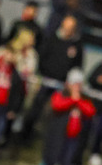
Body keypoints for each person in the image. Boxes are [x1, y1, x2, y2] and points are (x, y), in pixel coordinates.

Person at [20, 14, 83, 143]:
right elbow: (42, 57)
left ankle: (49, 140)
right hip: (45, 79)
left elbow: (77, 67)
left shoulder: (76, 45)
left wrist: (71, 82)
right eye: (66, 26)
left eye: (71, 27)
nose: (68, 29)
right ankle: (25, 135)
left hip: (62, 85)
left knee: (56, 113)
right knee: (35, 109)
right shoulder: (52, 39)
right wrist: (40, 75)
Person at [37, 69, 96, 165]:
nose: (77, 87)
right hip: (56, 136)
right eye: (74, 84)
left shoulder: (84, 99)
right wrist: (72, 100)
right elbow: (57, 105)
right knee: (49, 161)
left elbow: (90, 111)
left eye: (79, 84)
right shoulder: (60, 94)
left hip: (72, 139)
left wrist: (78, 100)